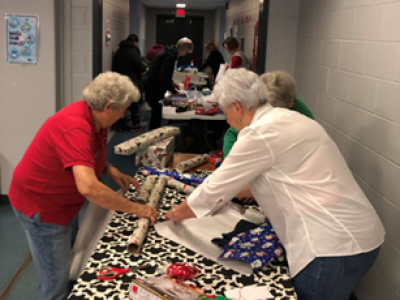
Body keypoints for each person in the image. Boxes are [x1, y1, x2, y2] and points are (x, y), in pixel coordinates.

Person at [165, 69, 385, 300]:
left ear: (237, 107)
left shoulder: (259, 134)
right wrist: (221, 197)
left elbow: (213, 190)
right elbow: (275, 180)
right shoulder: (291, 118)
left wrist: (175, 213)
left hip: (330, 246)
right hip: (360, 236)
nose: (227, 119)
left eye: (225, 112)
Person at [9, 72, 158, 300]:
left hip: (64, 204)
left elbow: (86, 157)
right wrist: (137, 209)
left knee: (68, 263)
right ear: (109, 106)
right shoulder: (76, 126)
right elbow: (88, 187)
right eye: (123, 109)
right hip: (42, 208)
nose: (124, 115)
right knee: (54, 282)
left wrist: (109, 169)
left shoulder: (95, 119)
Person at [223, 70, 314, 203]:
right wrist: (234, 172)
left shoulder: (304, 119)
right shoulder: (254, 106)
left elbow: (301, 163)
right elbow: (232, 134)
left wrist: (256, 189)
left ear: (291, 104)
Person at [143, 37, 194, 130]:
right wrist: (174, 91)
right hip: (153, 87)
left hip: (152, 85)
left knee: (156, 114)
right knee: (156, 115)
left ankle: (153, 135)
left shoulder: (169, 51)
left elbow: (164, 74)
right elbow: (163, 77)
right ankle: (153, 137)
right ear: (183, 49)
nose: (184, 55)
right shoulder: (170, 56)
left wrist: (172, 83)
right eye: (186, 52)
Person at [113, 34, 147, 132]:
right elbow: (138, 65)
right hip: (132, 81)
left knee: (122, 104)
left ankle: (121, 124)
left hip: (120, 81)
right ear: (135, 42)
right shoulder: (133, 51)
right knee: (134, 104)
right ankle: (135, 124)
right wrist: (144, 69)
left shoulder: (119, 51)